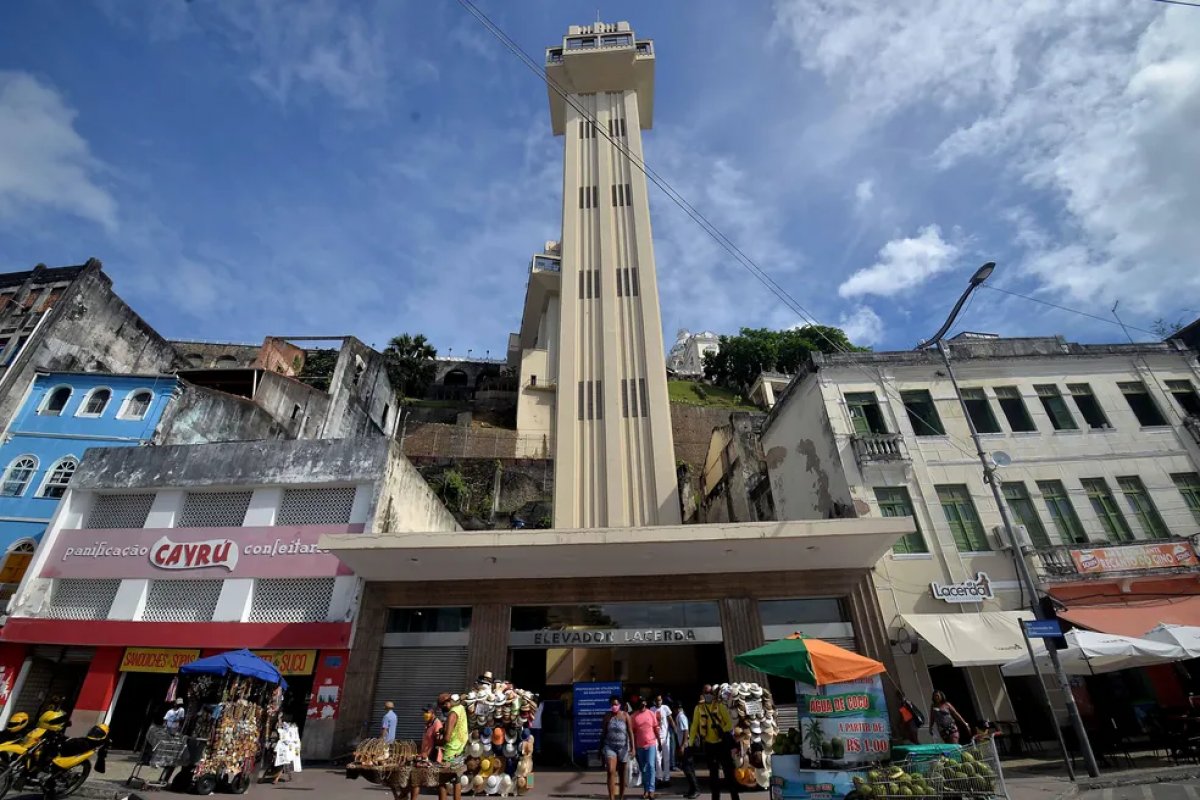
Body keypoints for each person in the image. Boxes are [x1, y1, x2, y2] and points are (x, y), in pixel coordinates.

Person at [690, 685, 739, 800]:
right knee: (713, 775)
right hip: (709, 744)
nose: (708, 695)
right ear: (702, 694)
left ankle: (735, 797)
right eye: (705, 693)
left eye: (710, 692)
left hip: (721, 744)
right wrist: (690, 743)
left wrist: (721, 729)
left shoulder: (720, 706)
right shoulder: (698, 708)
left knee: (729, 773)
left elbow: (729, 724)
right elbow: (694, 726)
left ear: (713, 694)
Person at [600, 695, 634, 800]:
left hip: (623, 747)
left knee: (622, 773)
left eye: (616, 704)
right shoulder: (607, 716)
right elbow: (603, 733)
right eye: (612, 704)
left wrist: (633, 748)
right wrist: (599, 749)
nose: (614, 706)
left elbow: (630, 732)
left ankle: (621, 796)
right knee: (611, 771)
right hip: (610, 746)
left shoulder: (625, 716)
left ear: (620, 705)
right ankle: (611, 797)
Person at [630, 697, 662, 800]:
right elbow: (632, 733)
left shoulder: (651, 714)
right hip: (640, 746)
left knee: (651, 766)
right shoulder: (634, 716)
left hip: (651, 744)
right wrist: (633, 747)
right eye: (641, 705)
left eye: (645, 704)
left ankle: (651, 790)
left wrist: (660, 742)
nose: (643, 706)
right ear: (638, 705)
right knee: (643, 768)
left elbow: (656, 728)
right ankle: (646, 789)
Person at [437, 693, 468, 800]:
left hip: (450, 752)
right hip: (460, 750)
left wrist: (438, 742)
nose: (443, 709)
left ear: (447, 703)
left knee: (441, 781)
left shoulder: (452, 714)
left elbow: (447, 738)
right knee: (456, 780)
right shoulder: (460, 708)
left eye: (443, 706)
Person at [412, 705, 443, 800]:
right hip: (424, 756)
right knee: (415, 781)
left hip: (432, 757)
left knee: (416, 780)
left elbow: (437, 743)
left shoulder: (437, 724)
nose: (425, 714)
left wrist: (427, 756)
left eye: (427, 712)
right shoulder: (428, 724)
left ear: (433, 713)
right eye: (424, 712)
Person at [675, 703, 698, 799]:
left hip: (686, 746)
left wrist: (683, 746)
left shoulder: (681, 717)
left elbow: (686, 731)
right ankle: (692, 789)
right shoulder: (681, 716)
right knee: (687, 768)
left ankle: (696, 789)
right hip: (685, 745)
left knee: (688, 768)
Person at [270, 714, 302, 784]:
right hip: (283, 747)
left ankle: (276, 779)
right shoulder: (282, 726)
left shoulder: (290, 727)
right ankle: (288, 777)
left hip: (287, 747)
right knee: (285, 763)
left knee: (284, 763)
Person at [654, 696, 674, 785]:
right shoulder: (651, 709)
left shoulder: (665, 708)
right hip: (655, 737)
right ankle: (659, 777)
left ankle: (667, 778)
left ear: (662, 700)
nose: (659, 701)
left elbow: (671, 720)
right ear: (654, 701)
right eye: (657, 700)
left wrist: (676, 731)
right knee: (657, 759)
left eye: (660, 700)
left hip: (665, 737)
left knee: (666, 758)